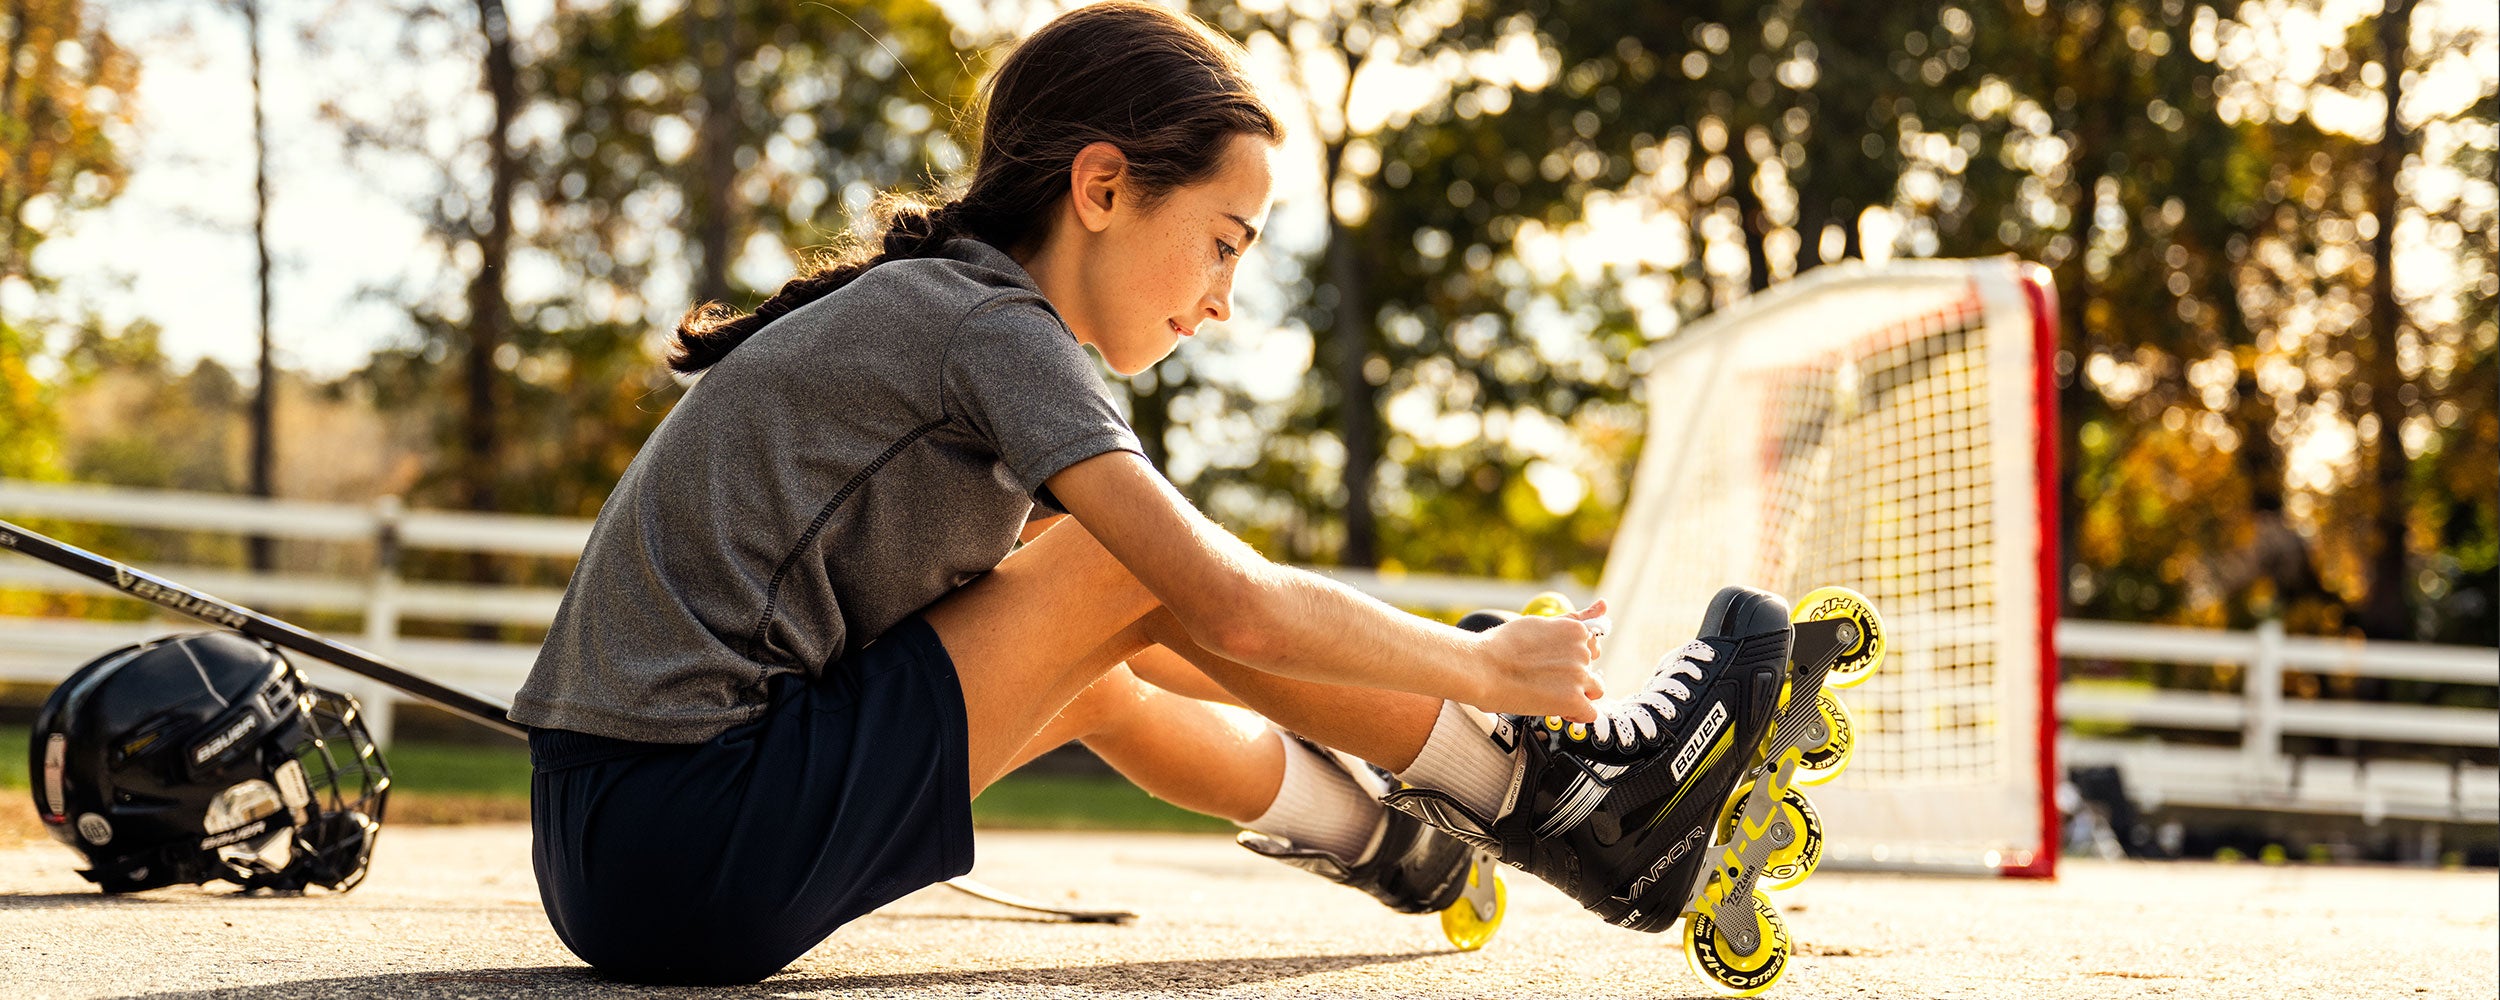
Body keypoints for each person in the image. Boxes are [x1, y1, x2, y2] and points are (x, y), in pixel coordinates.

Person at [514, 2, 1779, 985]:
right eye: (1222, 242)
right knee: (1135, 567)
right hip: (681, 833)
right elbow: (1226, 605)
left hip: (612, 855)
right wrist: (1489, 676)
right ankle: (1559, 799)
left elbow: (1166, 657)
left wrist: (1395, 818)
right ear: (1104, 187)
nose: (1225, 300)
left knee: (1103, 661)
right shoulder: (991, 331)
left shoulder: (937, 320)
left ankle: (1396, 838)